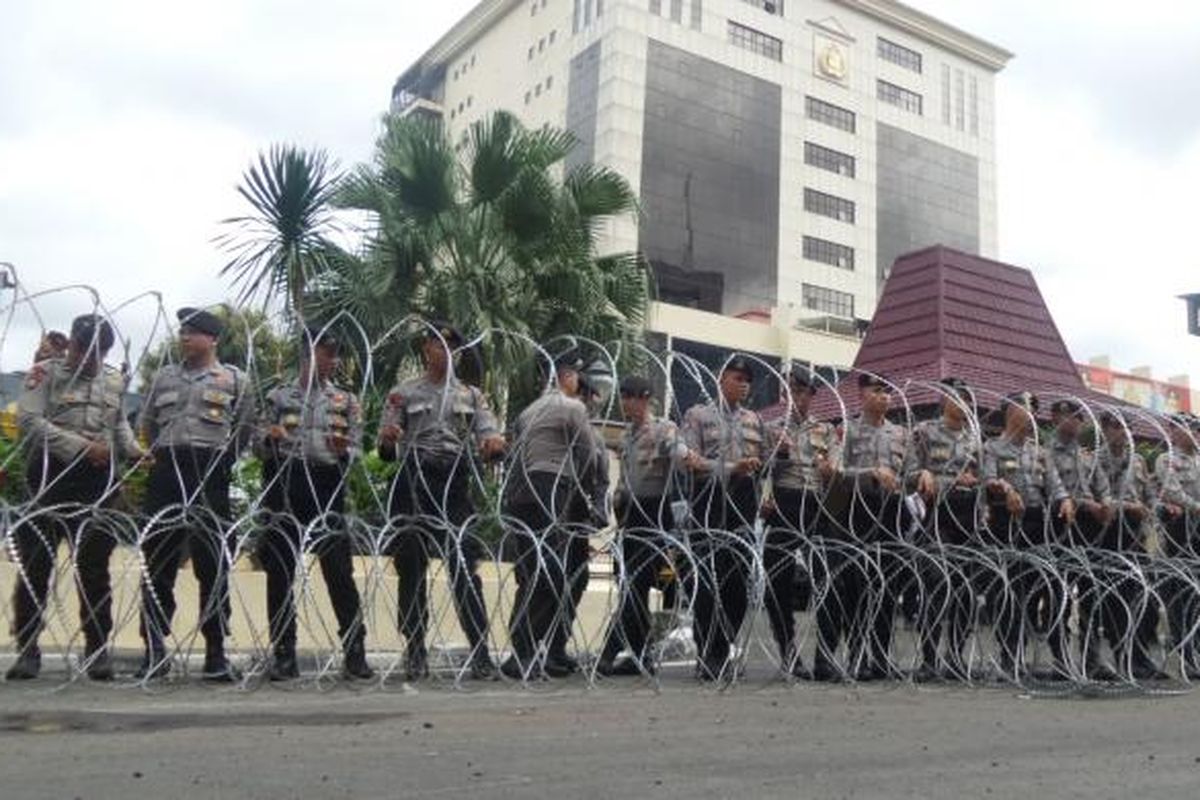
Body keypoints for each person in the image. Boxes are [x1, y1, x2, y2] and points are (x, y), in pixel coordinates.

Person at [7, 314, 143, 681]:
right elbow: (30, 423)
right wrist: (82, 447)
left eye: (99, 353)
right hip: (49, 478)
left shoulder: (113, 380)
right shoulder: (45, 374)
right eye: (85, 349)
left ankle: (97, 650)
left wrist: (133, 450)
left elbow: (117, 423)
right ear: (72, 342)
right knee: (36, 566)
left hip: (98, 483)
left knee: (95, 569)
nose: (91, 359)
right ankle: (28, 649)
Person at [378, 322, 506, 680]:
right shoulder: (402, 394)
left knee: (464, 566)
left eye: (453, 347)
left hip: (453, 481)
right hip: (413, 480)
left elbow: (488, 432)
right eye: (439, 345)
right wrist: (389, 439)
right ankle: (415, 648)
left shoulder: (472, 396)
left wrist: (493, 444)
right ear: (426, 349)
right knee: (412, 567)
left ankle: (480, 651)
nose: (446, 352)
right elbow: (386, 450)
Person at [138, 307, 255, 681]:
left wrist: (223, 464)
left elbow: (246, 428)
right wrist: (159, 455)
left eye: (193, 332)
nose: (185, 337)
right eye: (183, 331)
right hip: (168, 470)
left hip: (210, 472)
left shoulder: (234, 380)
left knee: (213, 563)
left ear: (212, 338)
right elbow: (147, 422)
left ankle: (215, 651)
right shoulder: (164, 378)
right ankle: (154, 646)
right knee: (157, 561)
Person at [256, 326, 372, 681]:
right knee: (280, 570)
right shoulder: (278, 397)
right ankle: (284, 653)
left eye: (335, 354)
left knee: (338, 570)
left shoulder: (345, 401)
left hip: (326, 483)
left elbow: (357, 445)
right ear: (308, 354)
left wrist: (345, 451)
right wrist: (269, 437)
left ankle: (355, 651)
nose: (332, 361)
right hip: (285, 482)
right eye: (327, 353)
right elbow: (255, 445)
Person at [502, 350, 604, 679]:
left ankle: (534, 649)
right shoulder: (572, 407)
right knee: (550, 573)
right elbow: (587, 453)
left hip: (524, 494)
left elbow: (514, 459)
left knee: (536, 571)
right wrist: (593, 498)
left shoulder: (527, 411)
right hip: (555, 489)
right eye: (577, 378)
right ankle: (525, 649)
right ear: (566, 377)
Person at [596, 375, 691, 677]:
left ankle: (610, 651)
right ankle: (639, 655)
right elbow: (625, 478)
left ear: (645, 399)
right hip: (630, 516)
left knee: (636, 584)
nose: (625, 403)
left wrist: (685, 457)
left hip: (655, 514)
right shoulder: (627, 437)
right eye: (623, 397)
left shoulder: (664, 429)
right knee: (629, 585)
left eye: (631, 397)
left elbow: (681, 458)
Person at [681, 356, 765, 681]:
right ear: (721, 379)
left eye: (747, 380)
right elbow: (691, 460)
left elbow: (765, 463)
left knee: (737, 585)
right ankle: (709, 653)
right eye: (736, 377)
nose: (742, 384)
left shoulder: (755, 420)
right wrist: (731, 467)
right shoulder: (698, 415)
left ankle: (723, 647)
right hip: (709, 500)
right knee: (708, 583)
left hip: (743, 502)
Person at [982, 391, 1075, 681]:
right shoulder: (992, 448)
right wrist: (1005, 489)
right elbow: (986, 480)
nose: (1031, 414)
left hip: (1038, 524)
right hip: (1006, 523)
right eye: (1025, 408)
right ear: (1010, 412)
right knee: (1011, 593)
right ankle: (1011, 657)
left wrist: (1065, 500)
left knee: (1054, 590)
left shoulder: (1039, 452)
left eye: (1033, 409)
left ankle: (1061, 657)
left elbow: (1055, 485)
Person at [833, 372, 913, 681]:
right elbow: (838, 471)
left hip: (891, 510)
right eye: (877, 391)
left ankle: (880, 655)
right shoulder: (847, 430)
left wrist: (919, 477)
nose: (884, 397)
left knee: (887, 585)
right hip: (857, 509)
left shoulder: (901, 434)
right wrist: (871, 473)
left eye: (888, 392)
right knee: (856, 585)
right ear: (862, 394)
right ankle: (856, 654)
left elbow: (911, 469)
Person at [763, 367, 837, 679]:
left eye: (805, 391)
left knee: (830, 578)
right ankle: (788, 651)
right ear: (785, 394)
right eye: (794, 390)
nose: (799, 397)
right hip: (784, 501)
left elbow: (837, 467)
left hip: (816, 505)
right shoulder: (770, 429)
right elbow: (759, 471)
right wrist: (776, 456)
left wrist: (829, 470)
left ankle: (825, 656)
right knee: (776, 580)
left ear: (813, 396)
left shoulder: (826, 430)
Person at [908, 378, 982, 682]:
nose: (963, 402)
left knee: (965, 588)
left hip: (967, 515)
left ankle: (954, 655)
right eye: (957, 397)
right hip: (937, 513)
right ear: (945, 400)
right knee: (936, 584)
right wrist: (929, 475)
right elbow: (908, 474)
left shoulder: (974, 439)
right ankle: (929, 658)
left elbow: (981, 476)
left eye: (967, 397)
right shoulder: (924, 432)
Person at [1095, 411, 1168, 680]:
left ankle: (1140, 655)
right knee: (1118, 602)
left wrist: (1159, 508)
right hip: (1110, 536)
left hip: (1137, 536)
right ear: (1104, 428)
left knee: (1147, 600)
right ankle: (1126, 657)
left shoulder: (1137, 460)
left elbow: (1150, 495)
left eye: (1127, 426)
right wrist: (1131, 507)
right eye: (1116, 426)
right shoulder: (1096, 460)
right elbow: (1101, 499)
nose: (1123, 431)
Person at [1048, 399, 1116, 680]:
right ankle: (1061, 659)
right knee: (1059, 594)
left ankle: (1092, 659)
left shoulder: (1087, 455)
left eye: (1078, 417)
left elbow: (1102, 484)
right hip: (1061, 524)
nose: (1075, 421)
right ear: (1055, 419)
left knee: (1092, 594)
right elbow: (1054, 486)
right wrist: (1084, 503)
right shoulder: (1046, 452)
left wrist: (1108, 503)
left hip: (1089, 528)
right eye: (1068, 416)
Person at [1155, 413, 1200, 680]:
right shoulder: (1167, 460)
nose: (1194, 432)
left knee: (1197, 596)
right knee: (1181, 594)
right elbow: (1172, 492)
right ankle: (1186, 656)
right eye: (1189, 428)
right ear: (1173, 431)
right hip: (1179, 531)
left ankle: (1196, 649)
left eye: (1196, 428)